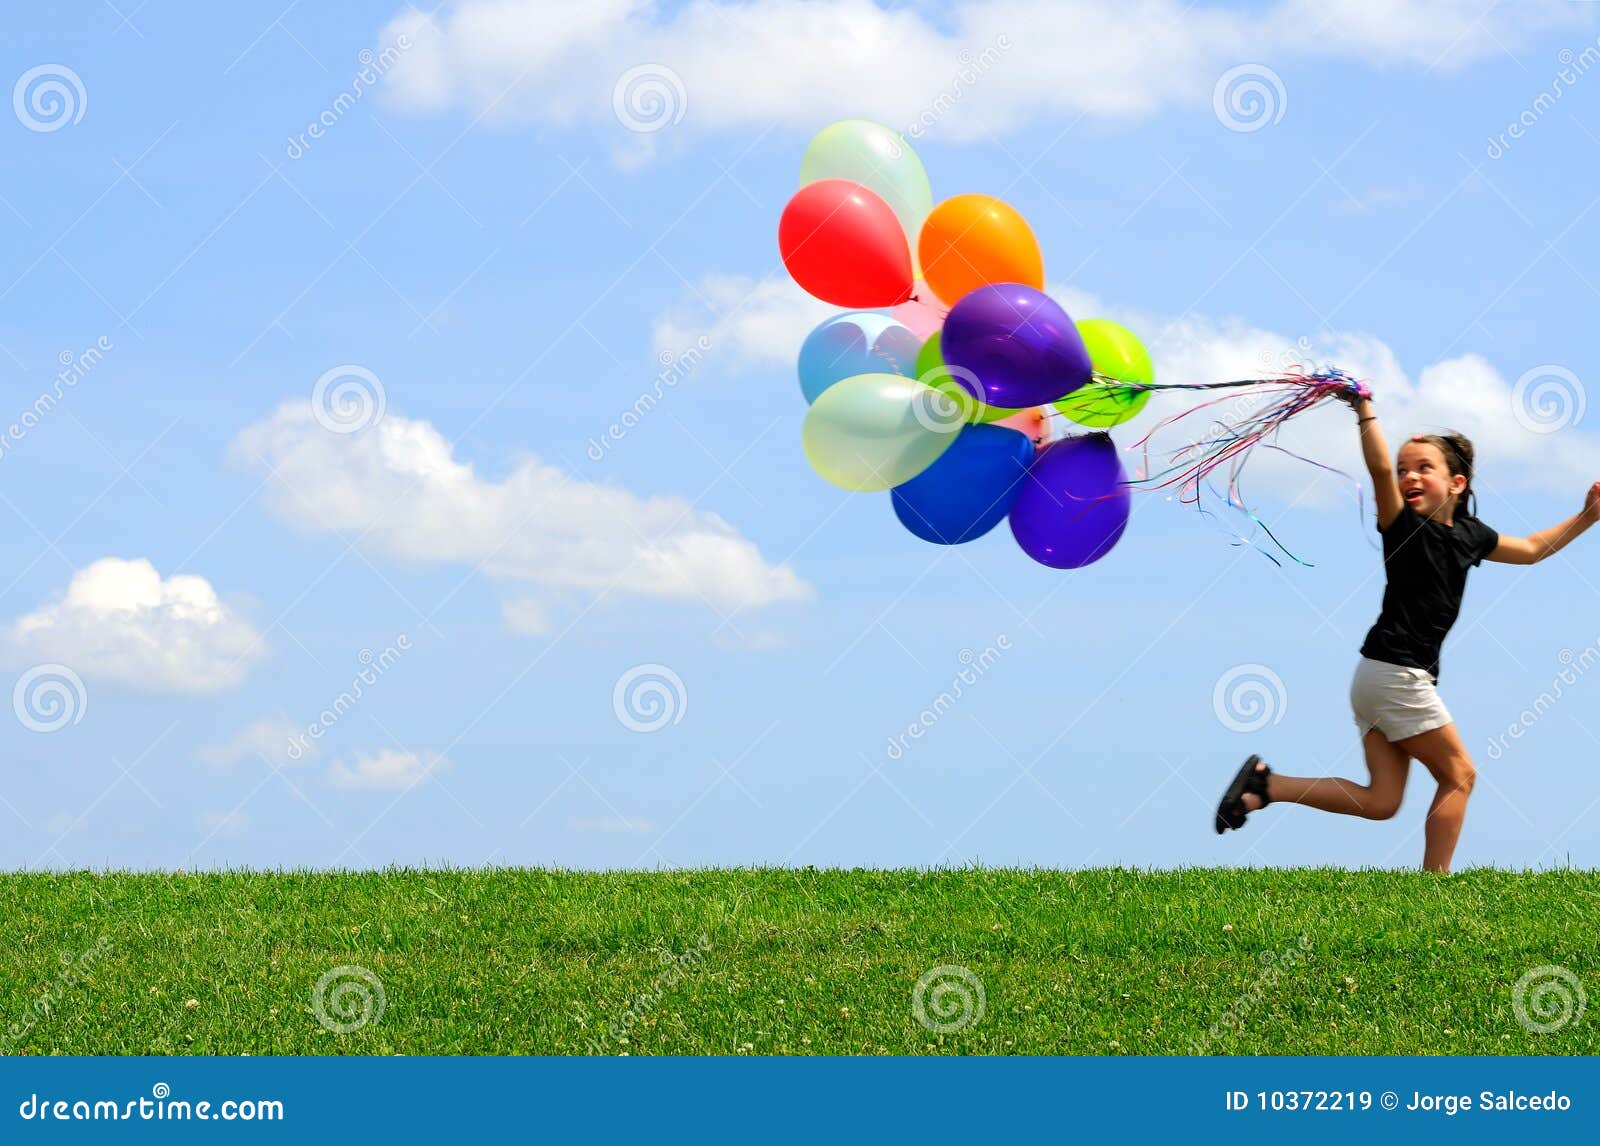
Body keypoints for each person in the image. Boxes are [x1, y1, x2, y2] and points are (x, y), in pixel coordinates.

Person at [1214, 390, 1600, 872]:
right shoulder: (1402, 526)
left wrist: (1587, 518)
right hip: (1397, 673)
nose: (1407, 476)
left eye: (1422, 467)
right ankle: (1433, 888)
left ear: (1457, 483)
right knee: (1459, 775)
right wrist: (1363, 410)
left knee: (1382, 801)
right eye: (1403, 469)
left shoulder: (1471, 535)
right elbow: (1377, 470)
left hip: (1375, 677)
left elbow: (1531, 548)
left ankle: (1266, 786)